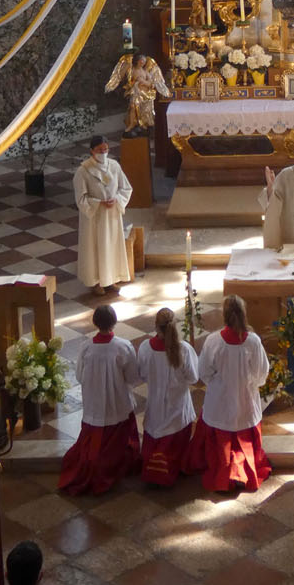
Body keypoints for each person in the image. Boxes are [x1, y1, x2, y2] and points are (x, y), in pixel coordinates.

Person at [188, 295, 271, 492]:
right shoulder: (253, 342)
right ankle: (242, 471)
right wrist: (247, 383)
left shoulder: (213, 340)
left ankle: (224, 472)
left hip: (220, 404)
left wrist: (221, 384)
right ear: (244, 314)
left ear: (224, 315)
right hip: (245, 402)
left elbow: (204, 372)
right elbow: (261, 374)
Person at [59, 305, 141, 495]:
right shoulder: (123, 346)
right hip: (117, 402)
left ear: (95, 323)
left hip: (94, 403)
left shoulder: (86, 347)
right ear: (114, 322)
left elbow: (79, 376)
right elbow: (132, 378)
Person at [136, 307, 199, 486]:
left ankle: (153, 472)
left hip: (155, 408)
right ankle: (175, 468)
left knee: (154, 434)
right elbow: (194, 377)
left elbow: (141, 374)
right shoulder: (184, 349)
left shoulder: (146, 348)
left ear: (156, 327)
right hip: (178, 411)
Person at [73, 135, 132, 294]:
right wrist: (98, 203)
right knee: (96, 248)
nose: (103, 153)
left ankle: (110, 280)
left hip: (112, 215)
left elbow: (126, 188)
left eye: (105, 149)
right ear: (92, 151)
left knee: (111, 247)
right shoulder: (83, 171)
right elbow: (81, 198)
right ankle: (96, 282)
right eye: (99, 150)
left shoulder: (114, 166)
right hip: (95, 217)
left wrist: (117, 199)